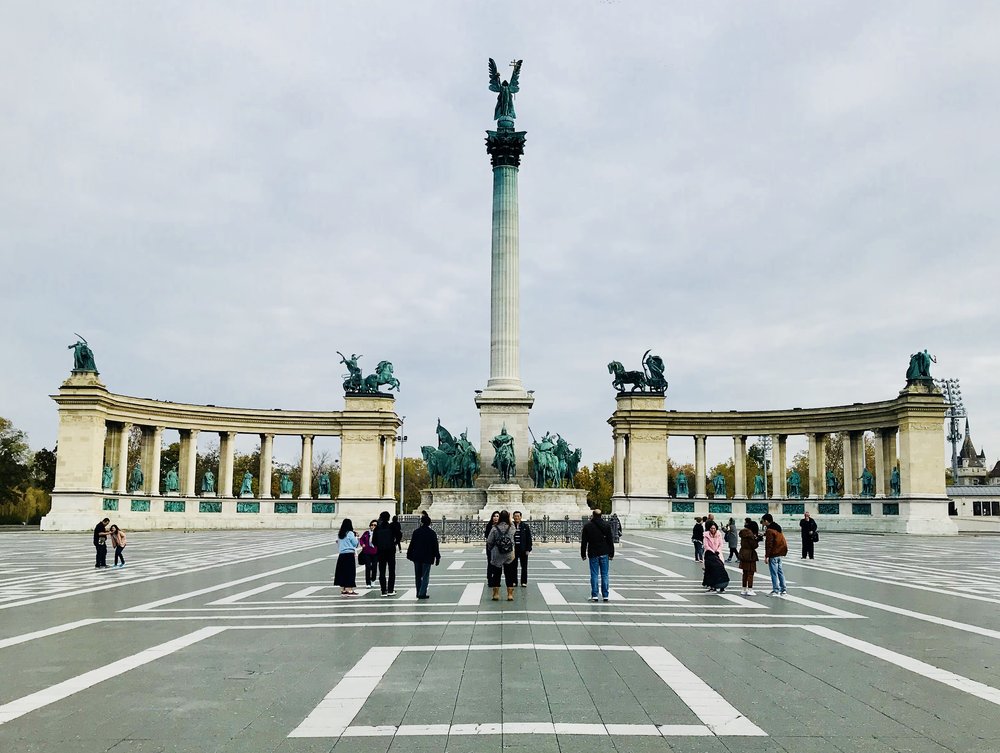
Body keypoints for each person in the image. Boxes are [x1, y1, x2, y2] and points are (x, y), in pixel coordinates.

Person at [581, 508, 615, 602]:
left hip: (593, 552)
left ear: (593, 515)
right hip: (604, 552)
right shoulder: (606, 525)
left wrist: (583, 554)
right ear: (601, 516)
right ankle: (605, 595)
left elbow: (584, 542)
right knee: (605, 574)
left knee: (594, 574)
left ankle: (595, 595)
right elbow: (610, 541)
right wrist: (611, 553)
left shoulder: (588, 526)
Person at [406, 513, 441, 599]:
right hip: (427, 557)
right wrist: (437, 557)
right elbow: (435, 546)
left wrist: (409, 554)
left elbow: (412, 544)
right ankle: (422, 593)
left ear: (421, 522)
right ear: (429, 523)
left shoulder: (416, 532)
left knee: (417, 576)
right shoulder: (432, 533)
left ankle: (418, 592)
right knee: (425, 576)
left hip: (417, 557)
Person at [486, 510, 518, 601]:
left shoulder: (495, 528)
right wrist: (509, 519)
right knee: (509, 574)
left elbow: (489, 541)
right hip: (509, 554)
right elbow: (513, 529)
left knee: (496, 574)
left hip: (497, 553)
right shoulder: (511, 527)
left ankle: (496, 594)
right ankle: (510, 595)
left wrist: (491, 548)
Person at [761, 513, 788, 596]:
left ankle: (775, 590)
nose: (762, 523)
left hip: (773, 554)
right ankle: (783, 589)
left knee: (774, 573)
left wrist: (767, 556)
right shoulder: (777, 528)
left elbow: (769, 544)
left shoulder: (769, 530)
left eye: (762, 521)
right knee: (780, 572)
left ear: (766, 521)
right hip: (780, 553)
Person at [372, 511, 397, 596]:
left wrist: (379, 545)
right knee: (391, 571)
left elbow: (373, 541)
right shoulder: (391, 527)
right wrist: (394, 543)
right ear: (389, 518)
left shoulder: (377, 528)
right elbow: (398, 535)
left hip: (381, 551)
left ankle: (383, 590)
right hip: (390, 551)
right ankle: (390, 589)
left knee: (382, 571)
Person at [333, 519, 360, 596]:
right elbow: (355, 544)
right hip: (349, 554)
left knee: (342, 572)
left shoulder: (340, 534)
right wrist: (357, 538)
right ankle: (349, 589)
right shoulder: (350, 533)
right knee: (350, 572)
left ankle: (343, 588)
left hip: (341, 554)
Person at [701, 521, 729, 592]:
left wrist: (717, 551)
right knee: (710, 571)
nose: (713, 530)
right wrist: (712, 552)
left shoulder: (719, 535)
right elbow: (706, 545)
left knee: (720, 569)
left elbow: (721, 544)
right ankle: (712, 586)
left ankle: (722, 585)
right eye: (711, 528)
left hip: (718, 554)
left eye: (714, 528)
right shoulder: (706, 535)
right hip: (709, 555)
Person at [738, 517, 759, 596]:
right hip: (750, 555)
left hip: (743, 553)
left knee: (745, 573)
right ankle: (750, 589)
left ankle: (743, 589)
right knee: (750, 573)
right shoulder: (750, 535)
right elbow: (754, 546)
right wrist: (757, 540)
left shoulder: (743, 534)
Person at [511, 511, 532, 587]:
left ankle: (524, 581)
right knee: (513, 566)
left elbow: (529, 538)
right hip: (514, 549)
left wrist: (528, 549)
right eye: (515, 516)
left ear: (521, 517)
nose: (517, 517)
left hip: (523, 548)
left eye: (518, 516)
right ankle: (514, 581)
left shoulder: (525, 526)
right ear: (513, 517)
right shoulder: (511, 526)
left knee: (524, 566)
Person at [358, 519, 378, 587]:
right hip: (367, 552)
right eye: (371, 525)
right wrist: (362, 544)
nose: (373, 526)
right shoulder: (366, 533)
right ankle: (368, 582)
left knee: (374, 567)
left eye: (375, 525)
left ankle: (373, 580)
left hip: (375, 552)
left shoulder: (378, 533)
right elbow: (361, 539)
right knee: (368, 567)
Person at [484, 510, 500, 578]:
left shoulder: (501, 526)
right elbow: (486, 535)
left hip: (499, 547)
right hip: (490, 547)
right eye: (494, 516)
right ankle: (490, 578)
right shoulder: (489, 525)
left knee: (498, 564)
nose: (495, 518)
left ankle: (496, 579)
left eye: (497, 516)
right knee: (490, 563)